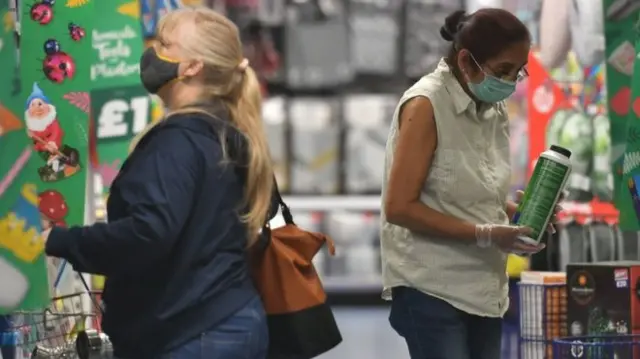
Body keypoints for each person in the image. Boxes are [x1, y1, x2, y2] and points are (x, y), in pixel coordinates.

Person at [42, 7, 274, 359]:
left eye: (165, 44)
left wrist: (58, 239)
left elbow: (147, 233)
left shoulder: (177, 144)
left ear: (192, 66)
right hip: (228, 317)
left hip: (191, 333)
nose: (152, 50)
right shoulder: (228, 134)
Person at [381, 8, 559, 359]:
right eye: (502, 71)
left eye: (518, 71)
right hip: (431, 288)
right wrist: (488, 234)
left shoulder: (492, 108)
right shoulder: (426, 105)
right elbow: (400, 207)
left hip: (484, 289)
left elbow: (470, 190)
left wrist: (519, 215)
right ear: (466, 61)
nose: (510, 81)